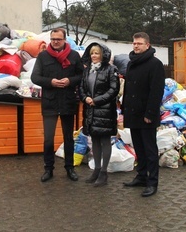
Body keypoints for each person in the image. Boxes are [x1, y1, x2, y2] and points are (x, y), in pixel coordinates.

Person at [31, 28, 84, 182]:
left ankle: (70, 168)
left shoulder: (74, 56)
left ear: (64, 40)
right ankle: (48, 169)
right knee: (48, 138)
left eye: (58, 39)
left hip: (68, 101)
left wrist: (70, 81)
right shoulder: (43, 56)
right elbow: (35, 77)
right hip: (50, 102)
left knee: (68, 138)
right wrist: (50, 82)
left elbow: (81, 75)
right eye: (53, 39)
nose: (55, 42)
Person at [121, 32, 165, 197]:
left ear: (148, 45)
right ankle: (141, 177)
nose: (136, 46)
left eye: (139, 43)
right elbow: (128, 89)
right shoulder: (131, 63)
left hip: (146, 115)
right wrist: (124, 108)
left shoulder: (155, 64)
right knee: (138, 148)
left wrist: (150, 113)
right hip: (133, 113)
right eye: (134, 43)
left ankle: (152, 182)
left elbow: (156, 92)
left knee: (150, 150)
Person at [79, 43, 120, 187]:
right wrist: (85, 98)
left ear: (103, 55)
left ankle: (104, 172)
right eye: (92, 53)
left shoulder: (111, 69)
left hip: (105, 111)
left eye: (97, 53)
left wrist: (97, 100)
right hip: (90, 110)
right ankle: (96, 169)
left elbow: (114, 89)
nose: (94, 56)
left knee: (105, 140)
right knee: (94, 139)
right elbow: (81, 88)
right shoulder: (87, 71)